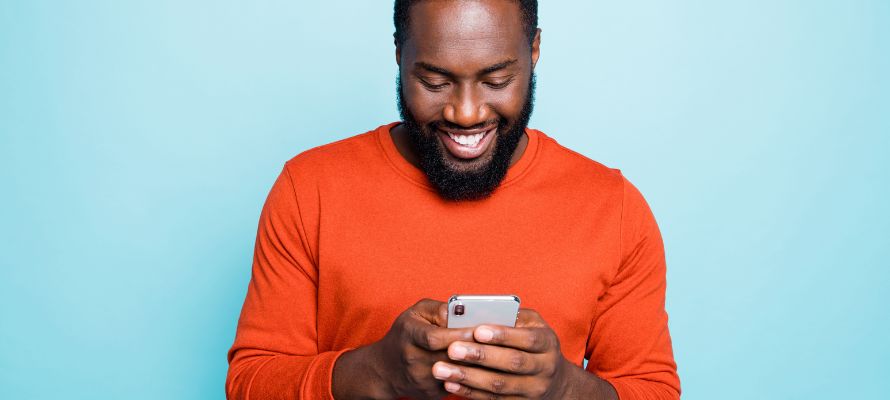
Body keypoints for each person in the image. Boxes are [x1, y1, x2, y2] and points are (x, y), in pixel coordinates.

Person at [226, 0, 680, 399]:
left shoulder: (612, 207)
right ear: (400, 53)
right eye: (436, 81)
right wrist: (376, 373)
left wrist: (564, 388)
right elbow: (250, 381)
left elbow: (653, 390)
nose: (466, 113)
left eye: (497, 79)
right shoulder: (310, 188)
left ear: (534, 49)